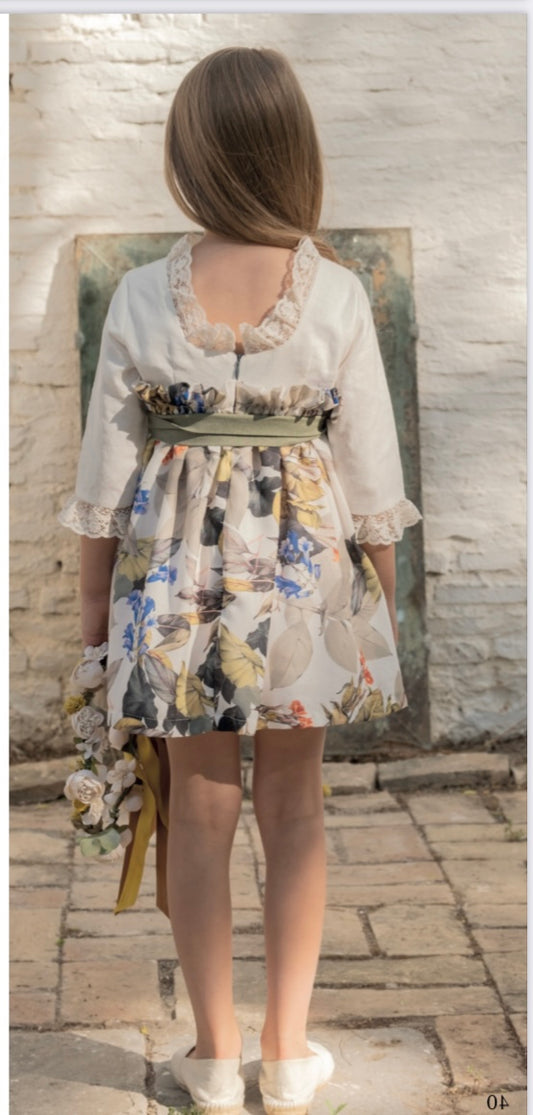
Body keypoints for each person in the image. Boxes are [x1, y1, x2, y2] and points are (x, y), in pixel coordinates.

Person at [59, 45, 422, 1115]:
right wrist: (380, 599)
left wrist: (94, 619)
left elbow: (104, 482)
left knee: (200, 809)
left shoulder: (139, 294)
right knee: (295, 808)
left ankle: (214, 1055)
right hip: (305, 583)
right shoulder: (337, 293)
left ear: (189, 157)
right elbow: (370, 475)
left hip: (171, 586)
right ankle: (287, 1049)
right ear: (292, 151)